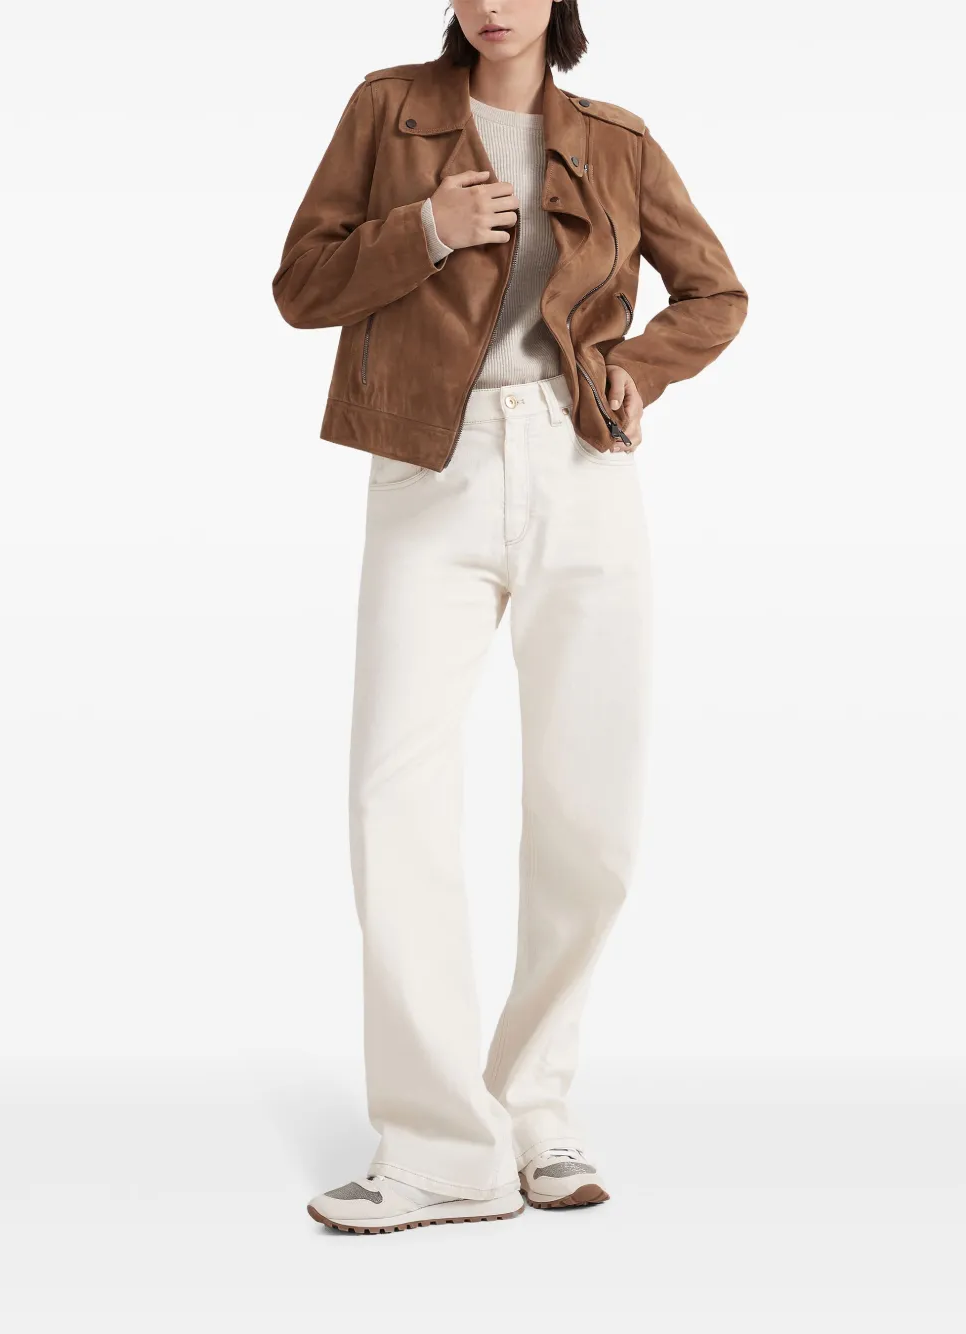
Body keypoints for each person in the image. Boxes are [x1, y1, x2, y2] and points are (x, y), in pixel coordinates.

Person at [271, 0, 747, 1235]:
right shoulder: (388, 108)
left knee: (592, 808)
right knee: (393, 796)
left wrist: (636, 372)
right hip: (426, 465)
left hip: (579, 464)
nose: (492, 3)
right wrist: (425, 228)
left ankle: (535, 1105)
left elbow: (715, 292)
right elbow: (301, 286)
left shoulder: (616, 138)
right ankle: (441, 1148)